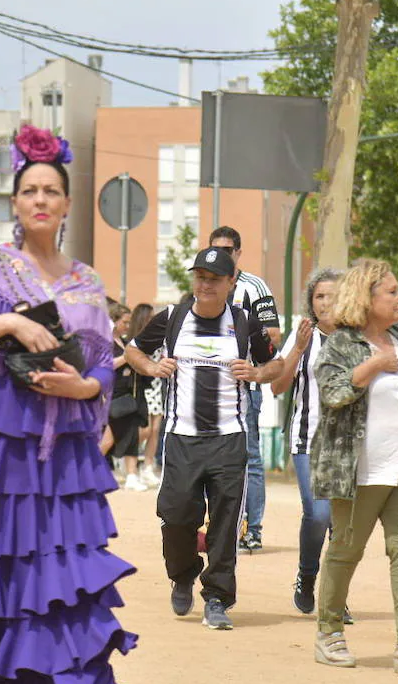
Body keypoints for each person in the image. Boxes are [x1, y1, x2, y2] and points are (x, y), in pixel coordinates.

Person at [0, 123, 137, 684]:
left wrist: (85, 390)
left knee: (66, 581)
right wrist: (10, 322)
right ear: (15, 202)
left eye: (51, 190)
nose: (40, 199)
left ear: (67, 203)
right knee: (6, 583)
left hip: (65, 456)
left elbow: (101, 366)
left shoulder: (87, 281)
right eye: (29, 190)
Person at [125, 246, 280, 631]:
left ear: (231, 282)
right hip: (182, 437)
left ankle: (217, 599)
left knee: (226, 523)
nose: (205, 284)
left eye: (214, 279)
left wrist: (256, 374)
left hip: (229, 438)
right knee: (176, 514)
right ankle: (182, 573)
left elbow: (273, 365)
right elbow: (132, 350)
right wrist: (152, 366)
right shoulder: (174, 317)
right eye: (200, 277)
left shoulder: (245, 324)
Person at [311, 259, 398, 679]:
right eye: (391, 292)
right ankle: (329, 633)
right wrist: (372, 366)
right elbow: (333, 393)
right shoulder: (342, 344)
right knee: (346, 550)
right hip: (361, 471)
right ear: (367, 299)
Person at [268, 266, 340, 617]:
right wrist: (296, 348)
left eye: (332, 295)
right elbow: (277, 386)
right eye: (319, 296)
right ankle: (307, 576)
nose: (326, 302)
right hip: (307, 439)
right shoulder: (304, 337)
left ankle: (334, 593)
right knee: (319, 514)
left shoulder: (359, 338)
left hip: (347, 445)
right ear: (311, 303)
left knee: (342, 523)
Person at [207, 226, 281, 553]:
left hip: (244, 385)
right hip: (207, 386)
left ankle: (254, 528)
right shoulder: (205, 285)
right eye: (216, 249)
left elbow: (274, 335)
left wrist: (244, 356)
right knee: (211, 457)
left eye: (227, 250)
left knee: (248, 457)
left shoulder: (254, 287)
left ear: (238, 253)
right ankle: (222, 527)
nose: (222, 255)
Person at [103, 302, 151, 491]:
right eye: (125, 322)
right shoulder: (105, 341)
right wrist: (127, 358)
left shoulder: (123, 342)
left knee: (131, 433)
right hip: (112, 394)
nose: (128, 326)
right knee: (108, 438)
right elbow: (107, 365)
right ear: (114, 321)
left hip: (128, 393)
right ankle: (91, 471)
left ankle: (132, 475)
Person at [127, 303, 163, 486]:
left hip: (158, 386)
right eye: (149, 316)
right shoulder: (136, 339)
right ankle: (129, 461)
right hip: (143, 387)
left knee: (156, 429)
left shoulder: (158, 335)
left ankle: (148, 466)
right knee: (144, 429)